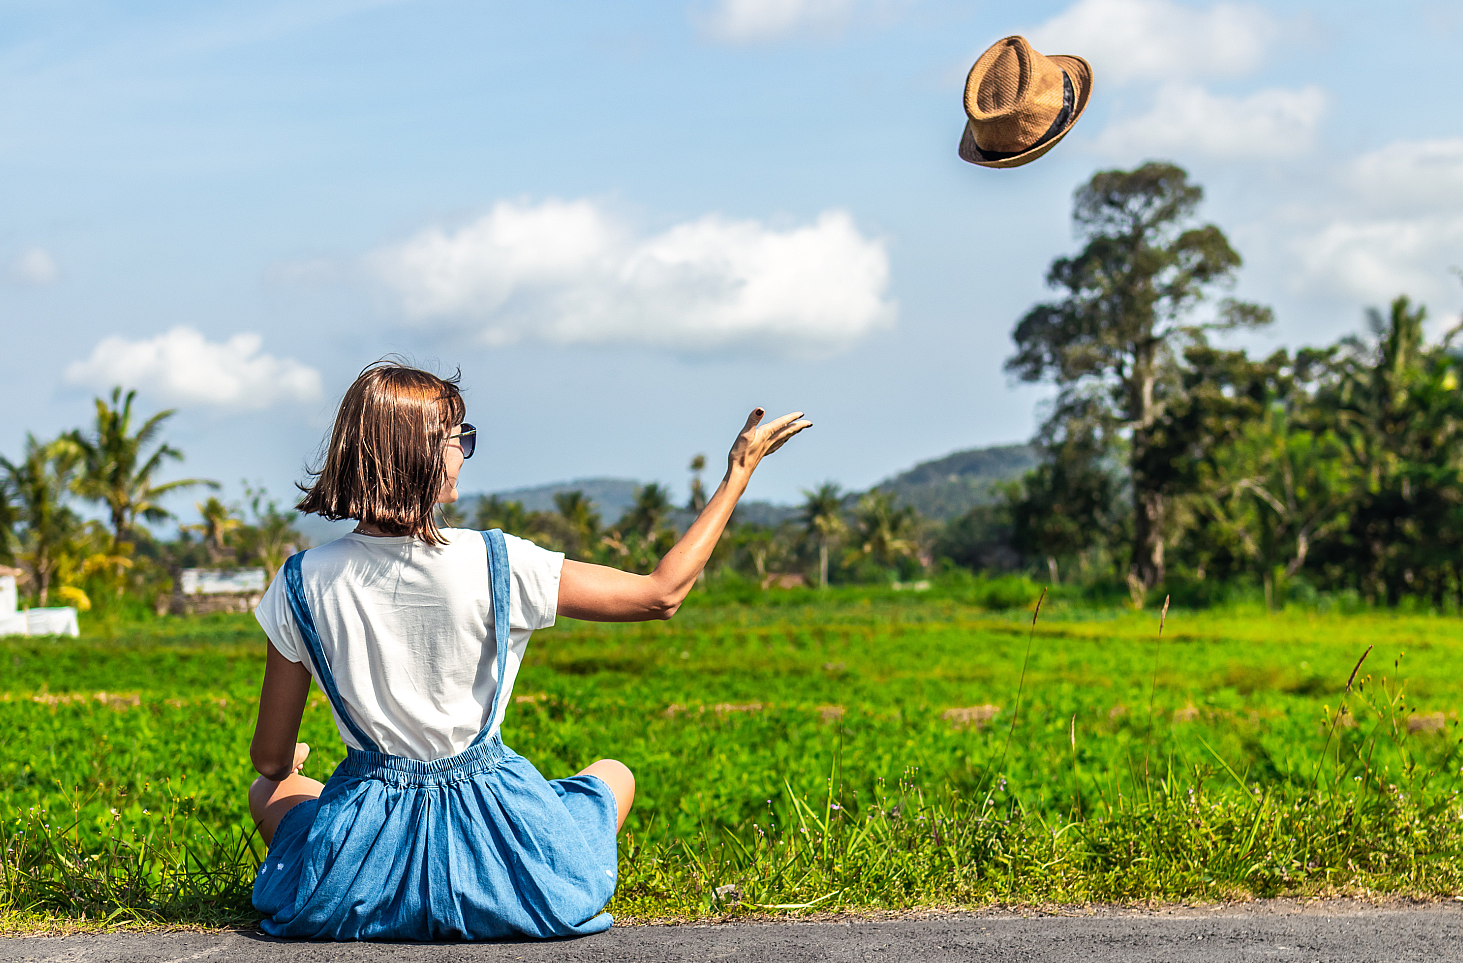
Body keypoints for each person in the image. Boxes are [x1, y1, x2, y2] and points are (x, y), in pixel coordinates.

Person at [246, 362, 810, 941]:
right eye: (455, 438)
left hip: (360, 878)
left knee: (274, 790)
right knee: (613, 774)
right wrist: (737, 475)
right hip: (499, 852)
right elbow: (660, 594)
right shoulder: (501, 562)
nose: (462, 453)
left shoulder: (300, 581)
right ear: (418, 453)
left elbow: (269, 759)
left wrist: (289, 768)